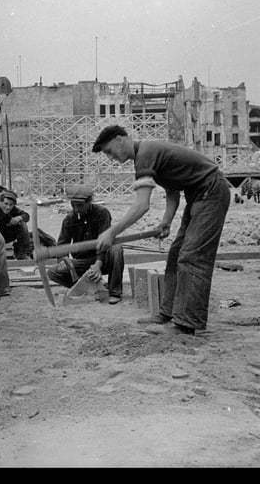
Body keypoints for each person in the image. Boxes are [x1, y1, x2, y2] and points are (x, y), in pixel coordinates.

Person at [91, 125, 231, 336]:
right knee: (176, 254)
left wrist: (112, 232)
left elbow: (142, 205)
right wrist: (166, 221)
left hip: (211, 191)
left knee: (192, 256)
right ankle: (168, 313)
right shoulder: (148, 154)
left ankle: (186, 323)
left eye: (110, 151)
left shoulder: (145, 154)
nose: (111, 158)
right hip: (198, 193)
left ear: (120, 139)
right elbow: (172, 190)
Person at [46, 184, 125, 305]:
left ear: (89, 202)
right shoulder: (69, 219)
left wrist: (98, 264)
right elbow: (62, 245)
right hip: (83, 262)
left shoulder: (102, 213)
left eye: (80, 205)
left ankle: (114, 292)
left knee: (116, 248)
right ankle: (88, 287)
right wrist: (63, 260)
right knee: (53, 272)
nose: (76, 209)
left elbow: (104, 242)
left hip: (102, 259)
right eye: (73, 205)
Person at [0, 189, 34, 260]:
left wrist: (19, 218)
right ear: (0, 202)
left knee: (22, 225)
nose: (8, 207)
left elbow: (26, 216)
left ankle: (23, 253)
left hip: (2, 235)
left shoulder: (11, 209)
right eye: (6, 204)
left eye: (11, 205)